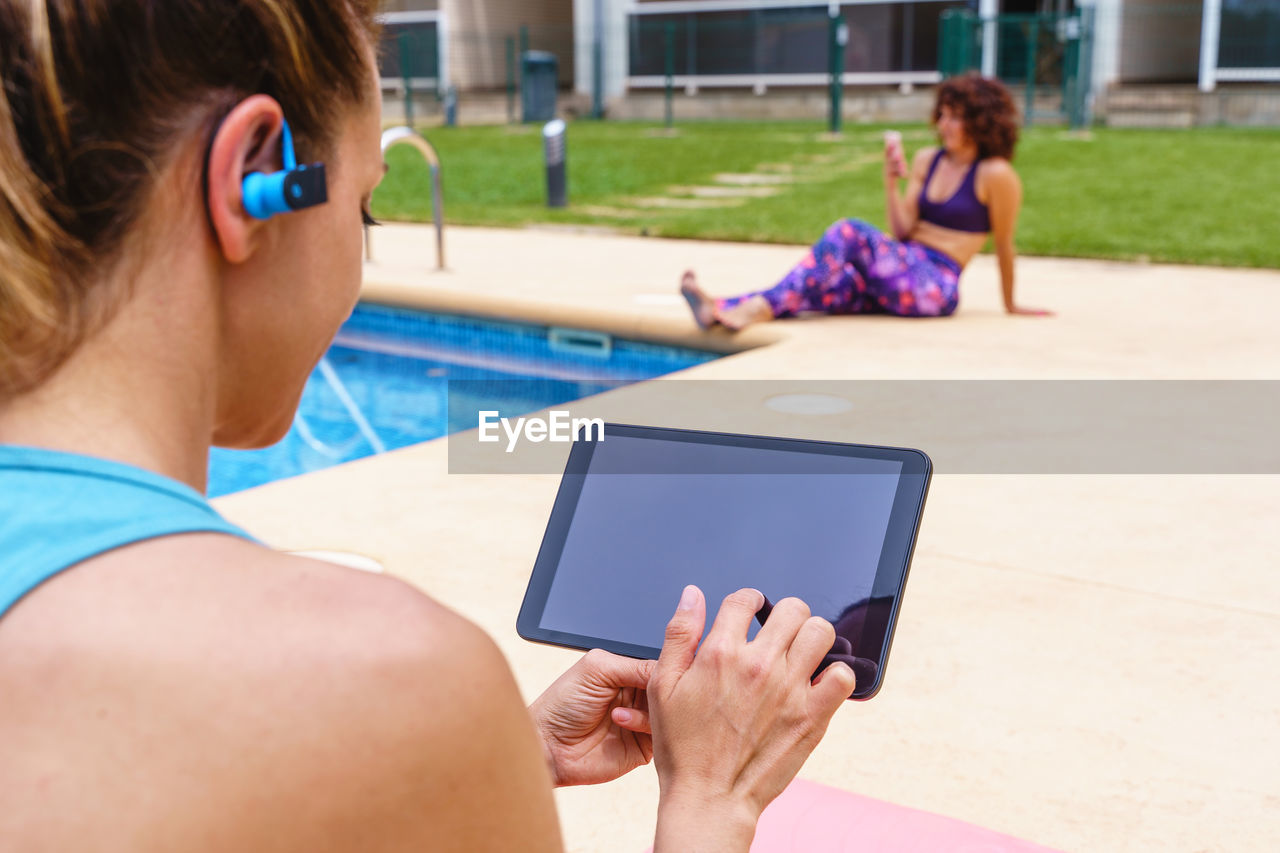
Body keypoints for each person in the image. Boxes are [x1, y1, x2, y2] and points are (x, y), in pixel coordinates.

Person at [0, 2, 857, 850]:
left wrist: (488, 761)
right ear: (251, 175)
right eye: (364, 208)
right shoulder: (375, 674)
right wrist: (714, 796)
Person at [682, 73, 1052, 330]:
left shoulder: (995, 174)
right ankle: (718, 308)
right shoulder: (928, 159)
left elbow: (1004, 243)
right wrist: (891, 183)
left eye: (956, 117)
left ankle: (753, 310)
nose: (944, 124)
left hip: (935, 286)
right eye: (942, 114)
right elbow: (902, 231)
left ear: (982, 122)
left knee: (850, 232)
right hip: (903, 265)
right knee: (827, 286)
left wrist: (1011, 304)